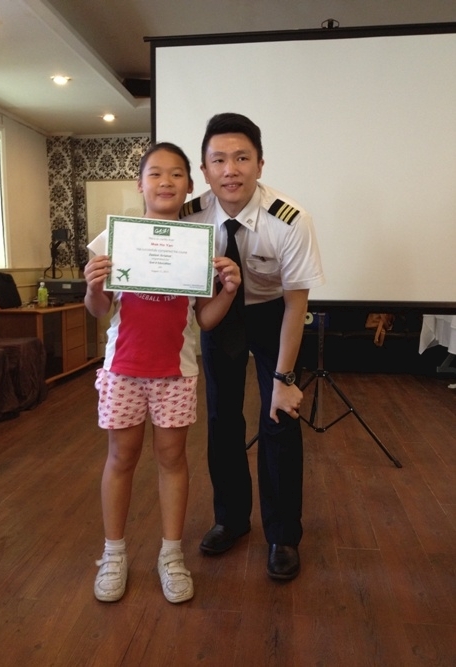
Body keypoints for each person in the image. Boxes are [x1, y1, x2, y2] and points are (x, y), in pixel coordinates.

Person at [84, 142, 242, 603]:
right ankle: (113, 554)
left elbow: (204, 319)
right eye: (155, 173)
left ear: (189, 185)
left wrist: (228, 291)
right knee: (121, 458)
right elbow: (99, 309)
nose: (166, 181)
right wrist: (93, 286)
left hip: (176, 372)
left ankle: (171, 555)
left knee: (172, 460)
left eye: (176, 174)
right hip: (123, 370)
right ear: (140, 184)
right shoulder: (112, 240)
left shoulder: (200, 245)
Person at [181, 113, 324, 580]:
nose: (231, 170)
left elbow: (296, 305)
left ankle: (283, 535)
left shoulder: (290, 220)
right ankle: (231, 519)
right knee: (222, 418)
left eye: (242, 158)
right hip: (220, 311)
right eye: (219, 160)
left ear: (260, 164)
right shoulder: (190, 216)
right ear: (204, 170)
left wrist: (284, 380)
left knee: (279, 417)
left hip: (274, 313)